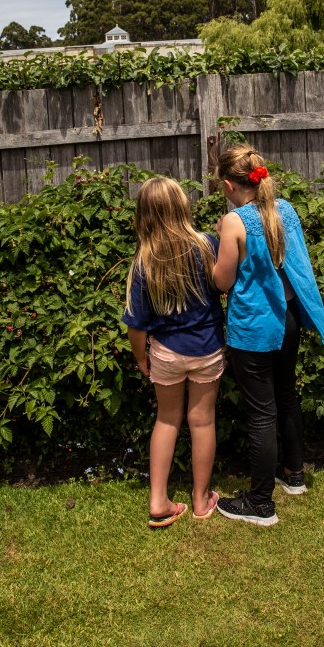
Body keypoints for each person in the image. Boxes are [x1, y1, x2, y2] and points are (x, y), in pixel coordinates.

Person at [212, 144, 324, 526]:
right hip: (289, 318)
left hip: (255, 328)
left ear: (229, 185)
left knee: (261, 413)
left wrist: (215, 242)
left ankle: (261, 503)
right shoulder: (285, 210)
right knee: (286, 394)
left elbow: (222, 281)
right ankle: (294, 474)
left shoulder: (234, 222)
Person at [123, 176, 224, 529]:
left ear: (143, 215)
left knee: (166, 420)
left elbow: (136, 326)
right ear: (182, 207)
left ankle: (158, 501)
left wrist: (141, 358)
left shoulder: (144, 261)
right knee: (202, 421)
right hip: (207, 348)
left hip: (165, 352)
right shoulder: (207, 245)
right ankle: (201, 500)